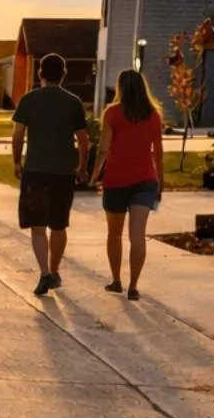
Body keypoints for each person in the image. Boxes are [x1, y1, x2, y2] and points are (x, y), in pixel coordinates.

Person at [11, 53, 90, 296]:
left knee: (37, 226)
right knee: (58, 224)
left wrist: (16, 161)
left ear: (40, 73)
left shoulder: (28, 100)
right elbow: (83, 139)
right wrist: (82, 166)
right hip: (62, 172)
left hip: (35, 169)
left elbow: (18, 135)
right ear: (63, 74)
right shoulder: (73, 102)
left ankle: (44, 273)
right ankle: (54, 271)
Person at [95, 66, 164, 300]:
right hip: (146, 181)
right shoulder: (154, 115)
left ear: (121, 88)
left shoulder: (112, 113)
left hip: (116, 180)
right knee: (138, 235)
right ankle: (134, 287)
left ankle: (116, 281)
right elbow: (159, 153)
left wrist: (94, 174)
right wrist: (161, 183)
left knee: (114, 234)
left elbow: (104, 148)